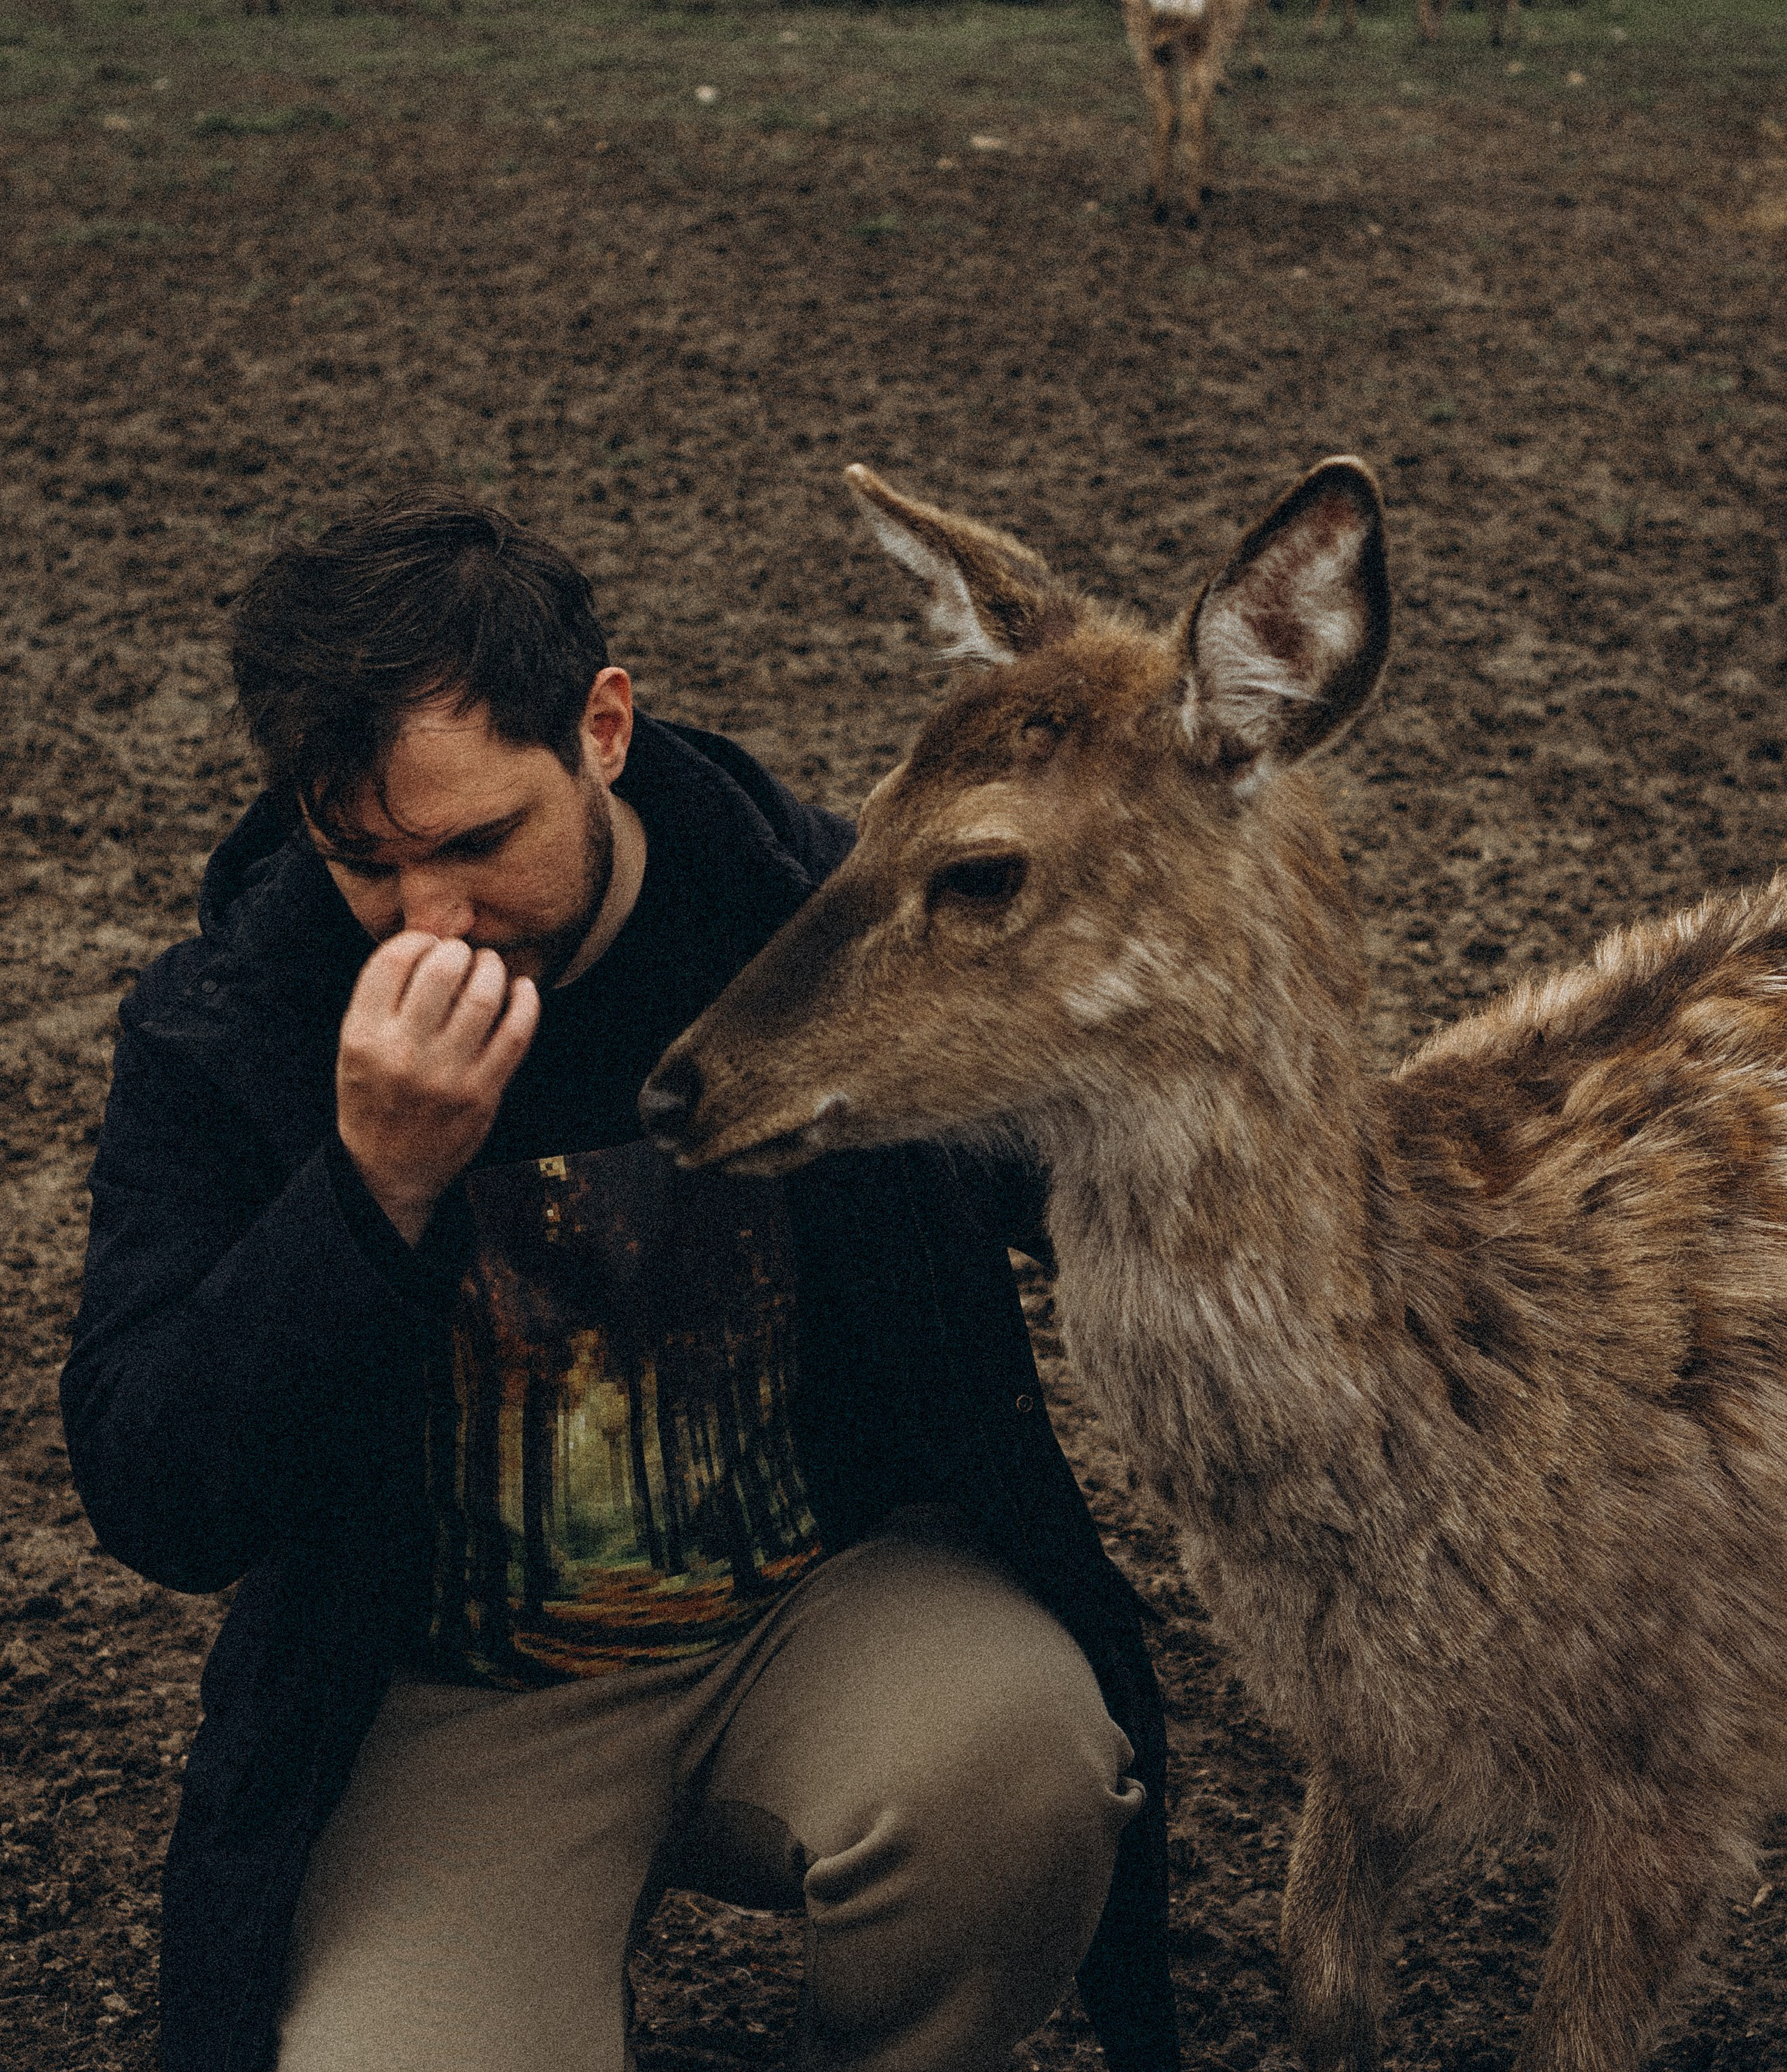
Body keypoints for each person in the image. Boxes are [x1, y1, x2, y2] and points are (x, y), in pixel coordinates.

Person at [60, 495, 1181, 2072]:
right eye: (361, 863)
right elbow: (154, 1495)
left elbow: (1095, 1181)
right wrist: (369, 1191)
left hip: (824, 1611)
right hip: (455, 1696)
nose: (428, 921)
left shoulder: (815, 915)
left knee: (1029, 1776)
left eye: (474, 843)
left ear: (601, 725)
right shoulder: (231, 1023)